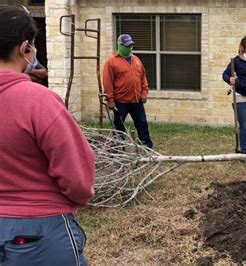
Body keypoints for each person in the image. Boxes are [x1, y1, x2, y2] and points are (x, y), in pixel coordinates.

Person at [0, 5, 95, 265]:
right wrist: (80, 197)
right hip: (37, 233)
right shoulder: (38, 101)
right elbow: (77, 176)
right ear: (25, 49)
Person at [103, 34, 153, 148]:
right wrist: (110, 100)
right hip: (120, 102)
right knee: (119, 126)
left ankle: (146, 146)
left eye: (131, 45)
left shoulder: (136, 60)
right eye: (127, 46)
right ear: (120, 45)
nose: (130, 48)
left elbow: (143, 77)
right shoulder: (111, 62)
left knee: (142, 123)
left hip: (136, 100)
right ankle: (118, 148)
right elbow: (107, 82)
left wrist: (144, 93)